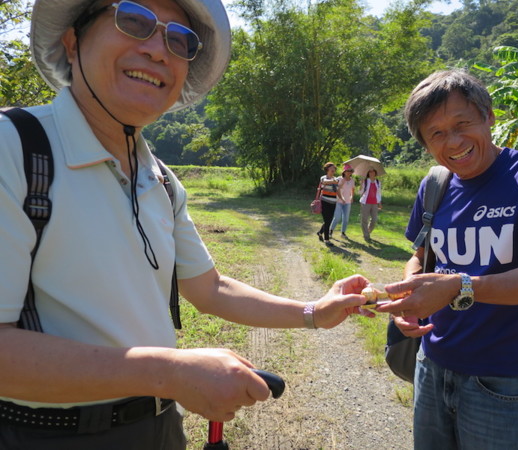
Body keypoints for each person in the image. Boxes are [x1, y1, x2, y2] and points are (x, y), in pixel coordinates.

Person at [0, 1, 371, 448]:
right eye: (133, 20)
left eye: (181, 40)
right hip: (42, 435)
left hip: (161, 427)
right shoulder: (13, 149)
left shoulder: (160, 179)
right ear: (72, 42)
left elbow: (210, 288)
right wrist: (171, 372)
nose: (159, 50)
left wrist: (314, 311)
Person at [377, 70, 518, 449]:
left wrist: (458, 287)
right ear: (426, 143)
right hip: (430, 363)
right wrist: (407, 297)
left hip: (501, 380)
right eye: (436, 133)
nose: (453, 142)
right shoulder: (435, 184)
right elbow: (421, 257)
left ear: (489, 116)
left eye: (463, 124)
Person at [330, 164, 355, 239]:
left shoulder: (352, 180)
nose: (349, 172)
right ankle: (330, 231)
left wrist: (352, 197)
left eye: (350, 171)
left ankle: (343, 233)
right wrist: (341, 184)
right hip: (338, 201)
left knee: (346, 219)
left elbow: (352, 189)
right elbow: (335, 189)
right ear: (344, 172)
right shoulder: (339, 179)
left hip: (347, 202)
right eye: (347, 171)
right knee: (337, 217)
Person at [316, 161, 338, 246]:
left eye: (334, 168)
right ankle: (327, 239)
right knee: (327, 220)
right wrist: (333, 181)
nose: (333, 169)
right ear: (327, 169)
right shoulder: (323, 177)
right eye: (331, 168)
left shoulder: (336, 179)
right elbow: (325, 182)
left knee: (329, 220)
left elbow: (338, 189)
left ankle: (320, 232)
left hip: (333, 203)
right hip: (324, 202)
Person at [358, 168, 382, 242]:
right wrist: (361, 184)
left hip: (375, 203)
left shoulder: (378, 182)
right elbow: (360, 192)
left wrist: (379, 203)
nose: (372, 173)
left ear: (375, 173)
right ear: (368, 173)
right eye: (370, 172)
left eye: (373, 171)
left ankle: (368, 231)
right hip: (365, 202)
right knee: (364, 219)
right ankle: (366, 235)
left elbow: (379, 193)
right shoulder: (365, 181)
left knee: (374, 219)